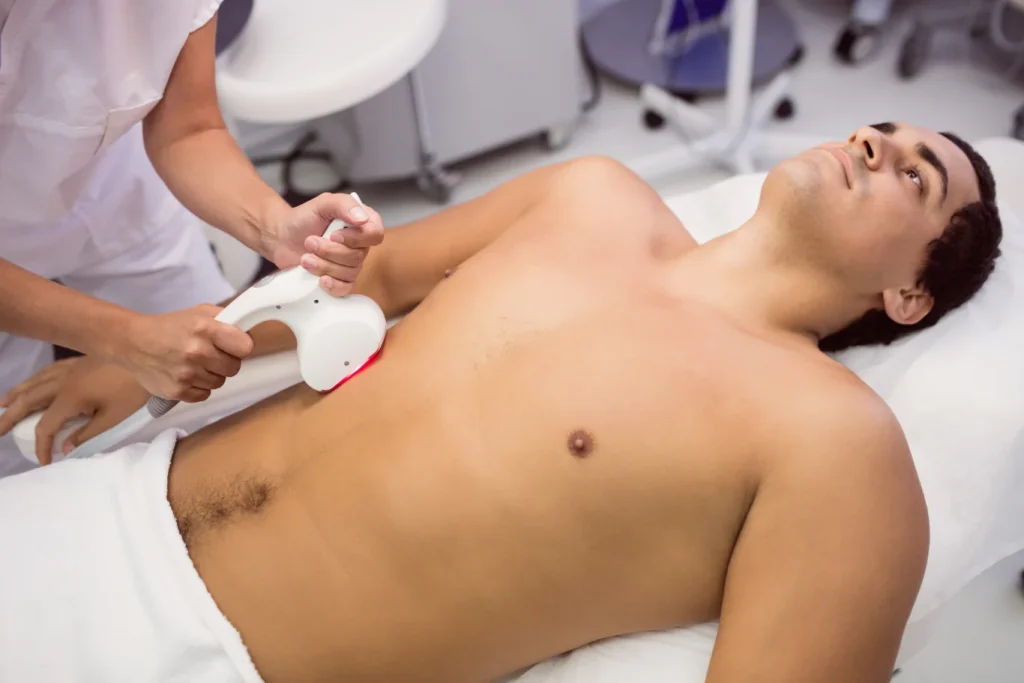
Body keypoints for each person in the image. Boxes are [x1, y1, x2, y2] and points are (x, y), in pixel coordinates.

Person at [0, 123, 1003, 683]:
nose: (874, 143)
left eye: (916, 175)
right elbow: (372, 280)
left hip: (220, 659)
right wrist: (151, 348)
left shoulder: (833, 442)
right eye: (880, 130)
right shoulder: (592, 197)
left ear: (910, 292)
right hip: (109, 508)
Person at [0, 1, 382, 477]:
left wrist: (276, 227)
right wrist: (125, 340)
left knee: (210, 385)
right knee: (21, 453)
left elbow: (188, 129)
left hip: (113, 191)